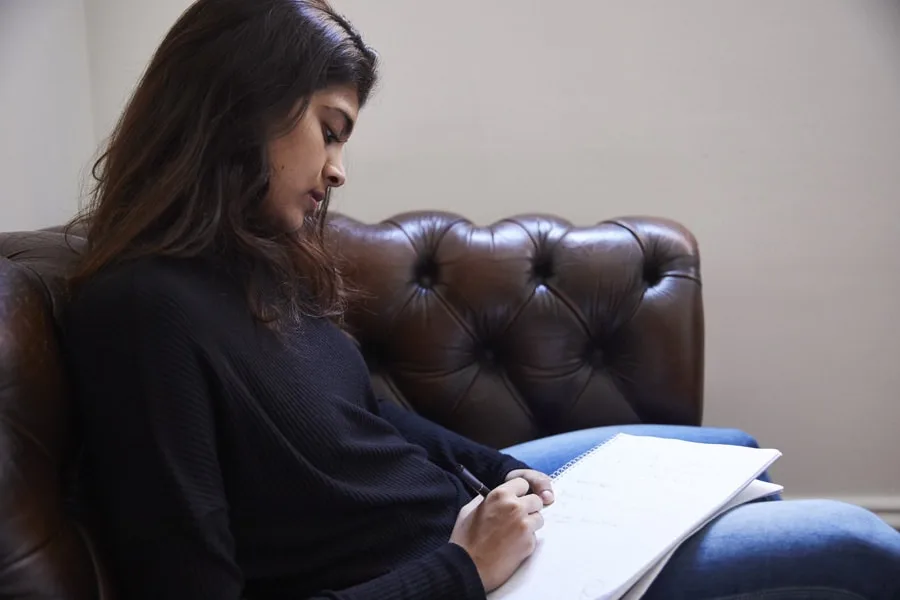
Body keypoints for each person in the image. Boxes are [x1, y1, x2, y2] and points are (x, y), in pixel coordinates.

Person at [61, 1, 900, 598]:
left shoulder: (248, 265)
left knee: (730, 449)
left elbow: (374, 422)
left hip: (469, 520)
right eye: (330, 128)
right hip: (463, 572)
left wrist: (506, 468)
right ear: (239, 109)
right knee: (858, 543)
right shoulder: (142, 318)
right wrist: (464, 568)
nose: (339, 170)